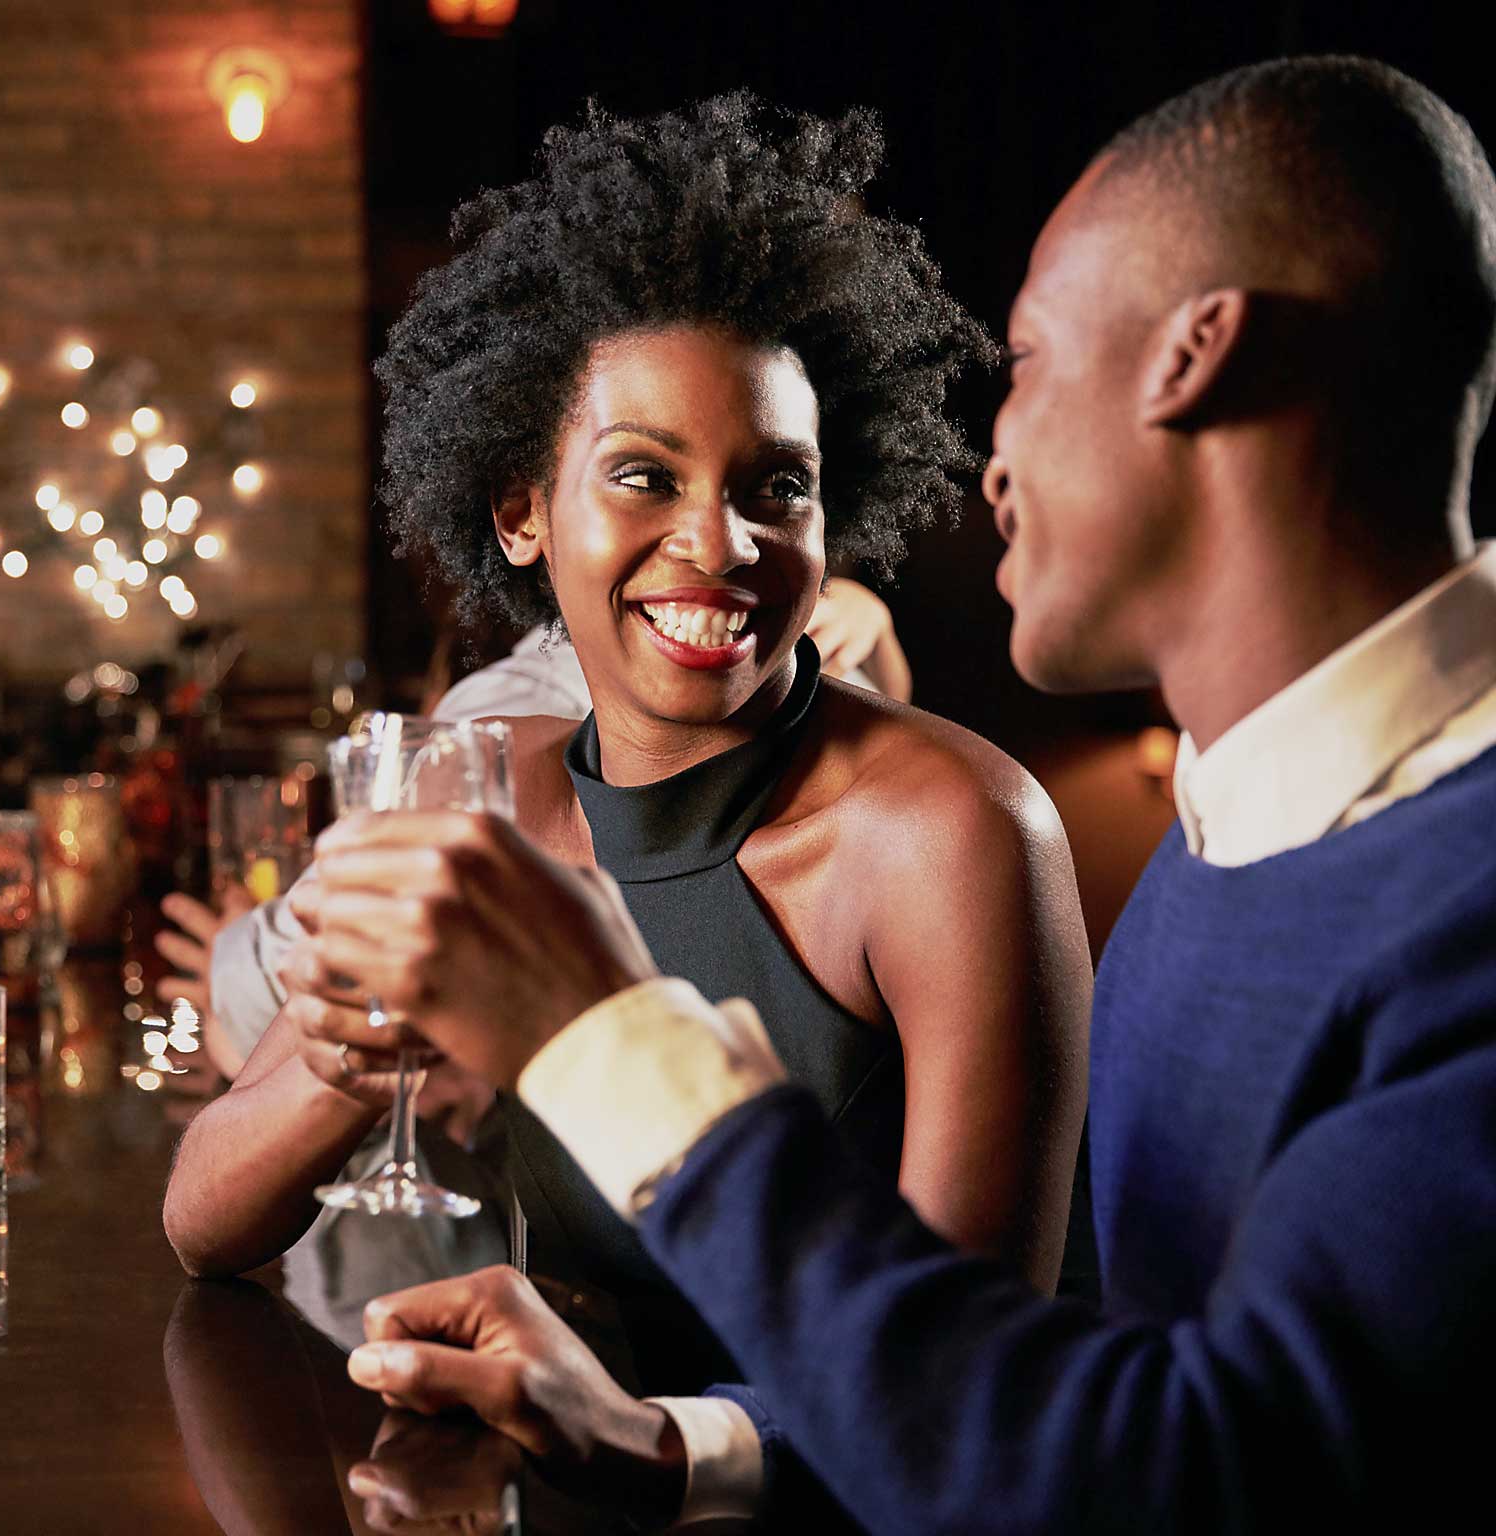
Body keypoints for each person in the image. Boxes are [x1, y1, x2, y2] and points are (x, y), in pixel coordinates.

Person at [298, 57, 1496, 1530]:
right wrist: (664, 1440)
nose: (992, 465)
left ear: (1197, 357)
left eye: (1037, 363)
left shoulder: (1464, 908)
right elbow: (1057, 1393)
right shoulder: (1236, 838)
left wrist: (612, 1042)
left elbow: (1178, 1481)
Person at [166, 94, 1094, 1410]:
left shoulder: (951, 829)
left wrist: (648, 1443)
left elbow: (964, 1393)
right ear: (523, 512)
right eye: (646, 477)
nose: (721, 545)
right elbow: (204, 1226)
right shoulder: (484, 780)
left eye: (778, 486)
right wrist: (348, 1058)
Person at [157, 573, 912, 1081]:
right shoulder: (811, 663)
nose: (713, 540)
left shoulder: (499, 714)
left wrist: (234, 968)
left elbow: (282, 1004)